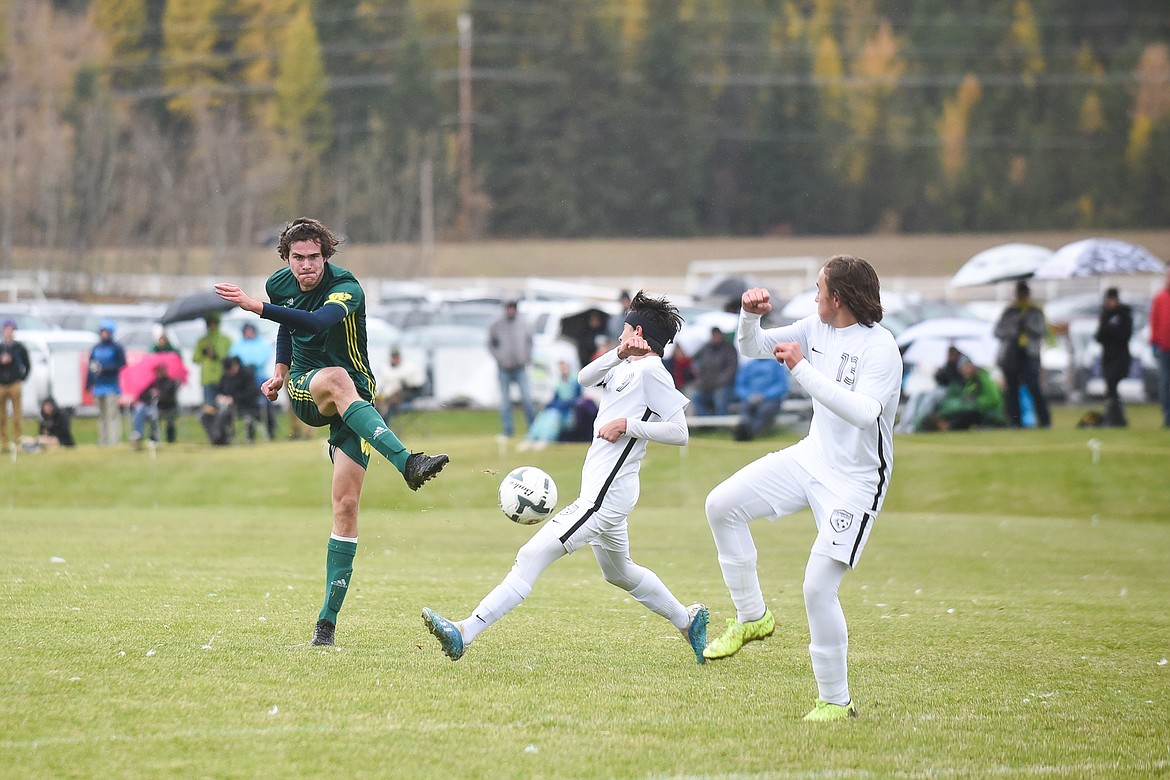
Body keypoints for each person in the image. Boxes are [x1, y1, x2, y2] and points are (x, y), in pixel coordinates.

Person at [421, 291, 709, 665]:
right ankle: (688, 620)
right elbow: (584, 376)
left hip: (604, 497)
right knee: (620, 573)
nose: (618, 336)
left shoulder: (653, 371)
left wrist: (629, 425)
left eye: (623, 331)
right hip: (604, 490)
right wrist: (619, 354)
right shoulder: (626, 366)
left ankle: (464, 631)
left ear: (637, 331)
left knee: (530, 555)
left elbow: (681, 431)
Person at [214, 217, 449, 647]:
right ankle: (408, 462)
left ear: (326, 256)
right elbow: (289, 326)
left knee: (345, 506)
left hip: (358, 402)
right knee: (336, 376)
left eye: (315, 257)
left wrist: (256, 310)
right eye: (298, 258)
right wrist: (283, 371)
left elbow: (317, 322)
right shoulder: (278, 284)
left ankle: (326, 625)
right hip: (311, 388)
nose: (307, 266)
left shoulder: (348, 288)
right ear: (286, 258)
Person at [702, 255, 902, 722]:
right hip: (810, 457)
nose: (813, 297)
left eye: (818, 289)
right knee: (721, 505)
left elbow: (865, 412)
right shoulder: (815, 327)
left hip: (856, 482)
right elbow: (752, 348)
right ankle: (753, 617)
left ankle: (835, 701)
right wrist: (749, 316)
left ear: (839, 297)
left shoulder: (881, 347)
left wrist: (801, 370)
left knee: (816, 589)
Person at [993, 281, 1051, 429]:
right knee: (1012, 390)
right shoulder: (1010, 312)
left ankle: (1044, 420)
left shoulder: (1035, 311)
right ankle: (1015, 421)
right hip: (1011, 354)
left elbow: (1042, 330)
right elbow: (998, 331)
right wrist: (1014, 328)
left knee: (1033, 387)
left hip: (1029, 354)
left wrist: (1027, 325)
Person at [917, 356, 1007, 431]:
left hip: (990, 413)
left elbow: (994, 399)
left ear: (971, 366)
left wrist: (975, 402)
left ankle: (948, 426)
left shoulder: (983, 378)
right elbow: (967, 396)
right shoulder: (970, 381)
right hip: (978, 410)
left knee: (966, 414)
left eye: (965, 367)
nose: (963, 371)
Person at [488, 299, 536, 438]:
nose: (511, 309)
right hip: (504, 368)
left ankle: (533, 430)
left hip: (520, 367)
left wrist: (526, 357)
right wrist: (500, 357)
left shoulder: (523, 323)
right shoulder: (496, 324)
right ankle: (508, 431)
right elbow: (490, 343)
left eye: (514, 307)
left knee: (527, 399)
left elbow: (530, 342)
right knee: (505, 402)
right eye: (509, 307)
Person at [519, 359, 582, 450]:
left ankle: (545, 439)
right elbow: (555, 398)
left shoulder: (575, 382)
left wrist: (560, 406)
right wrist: (548, 406)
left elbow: (577, 400)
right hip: (558, 410)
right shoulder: (559, 382)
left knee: (553, 417)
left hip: (568, 413)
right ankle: (530, 439)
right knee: (543, 416)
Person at [1094, 287, 1133, 427]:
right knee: (1110, 388)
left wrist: (1110, 331)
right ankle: (1114, 417)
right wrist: (1107, 326)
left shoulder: (1124, 314)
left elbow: (1125, 335)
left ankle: (1117, 417)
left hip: (1120, 356)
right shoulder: (1105, 315)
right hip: (1108, 357)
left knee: (1112, 385)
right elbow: (1098, 336)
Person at [230, 322, 277, 438]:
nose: (249, 333)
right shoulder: (238, 345)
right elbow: (234, 358)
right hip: (244, 379)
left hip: (259, 376)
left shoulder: (261, 343)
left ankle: (270, 427)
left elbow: (264, 356)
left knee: (265, 402)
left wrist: (253, 365)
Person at [200, 356, 261, 445]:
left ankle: (218, 436)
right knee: (204, 415)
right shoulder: (225, 377)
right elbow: (219, 390)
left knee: (222, 413)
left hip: (243, 407)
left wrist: (233, 399)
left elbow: (252, 394)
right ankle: (216, 438)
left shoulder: (247, 375)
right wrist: (220, 397)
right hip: (223, 405)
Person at [86, 319, 127, 446]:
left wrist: (106, 368)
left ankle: (115, 440)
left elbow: (121, 364)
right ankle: (103, 440)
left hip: (111, 386)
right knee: (102, 415)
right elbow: (91, 366)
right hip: (98, 386)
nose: (104, 334)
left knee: (112, 415)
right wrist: (89, 383)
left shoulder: (116, 347)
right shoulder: (96, 348)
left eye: (106, 331)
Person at [732, 358, 789, 441]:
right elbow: (740, 386)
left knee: (764, 411)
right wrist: (749, 396)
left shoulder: (777, 365)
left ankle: (748, 433)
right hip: (750, 399)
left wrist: (764, 396)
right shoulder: (748, 365)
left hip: (771, 399)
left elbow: (782, 386)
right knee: (745, 410)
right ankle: (745, 430)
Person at [691, 327, 738, 416]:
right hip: (707, 386)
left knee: (720, 396)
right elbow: (700, 366)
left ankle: (722, 423)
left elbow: (731, 370)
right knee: (696, 396)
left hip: (724, 386)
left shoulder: (729, 349)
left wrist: (718, 382)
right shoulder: (706, 349)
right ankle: (706, 423)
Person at [0, 318, 31, 453]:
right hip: (1, 384)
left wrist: (22, 378)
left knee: (17, 415)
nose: (8, 332)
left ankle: (17, 441)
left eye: (10, 329)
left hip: (14, 383)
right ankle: (4, 442)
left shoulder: (19, 348)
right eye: (6, 329)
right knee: (1, 416)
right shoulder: (1, 347)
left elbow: (27, 365)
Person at [132, 362, 180, 446]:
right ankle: (138, 434)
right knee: (139, 409)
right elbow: (142, 395)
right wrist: (151, 394)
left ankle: (156, 438)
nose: (160, 372)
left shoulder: (171, 383)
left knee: (155, 415)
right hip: (152, 407)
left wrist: (158, 395)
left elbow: (169, 397)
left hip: (167, 408)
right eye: (158, 370)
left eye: (162, 370)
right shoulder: (154, 383)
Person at [374, 346, 426, 423]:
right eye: (393, 357)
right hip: (388, 395)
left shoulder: (408, 367)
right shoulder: (386, 369)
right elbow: (383, 385)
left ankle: (385, 427)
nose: (395, 359)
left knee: (388, 406)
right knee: (377, 404)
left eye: (396, 357)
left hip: (405, 395)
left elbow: (416, 383)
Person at [195, 313, 232, 409]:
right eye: (209, 323)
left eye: (213, 323)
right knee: (209, 406)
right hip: (207, 378)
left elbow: (227, 358)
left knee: (223, 406)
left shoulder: (225, 339)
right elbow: (195, 359)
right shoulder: (202, 341)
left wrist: (214, 353)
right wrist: (203, 352)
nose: (212, 325)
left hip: (222, 377)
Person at [1149, 268, 1170, 428]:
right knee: (1165, 384)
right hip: (1164, 349)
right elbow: (1154, 322)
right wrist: (1154, 342)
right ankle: (1167, 416)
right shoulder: (1160, 297)